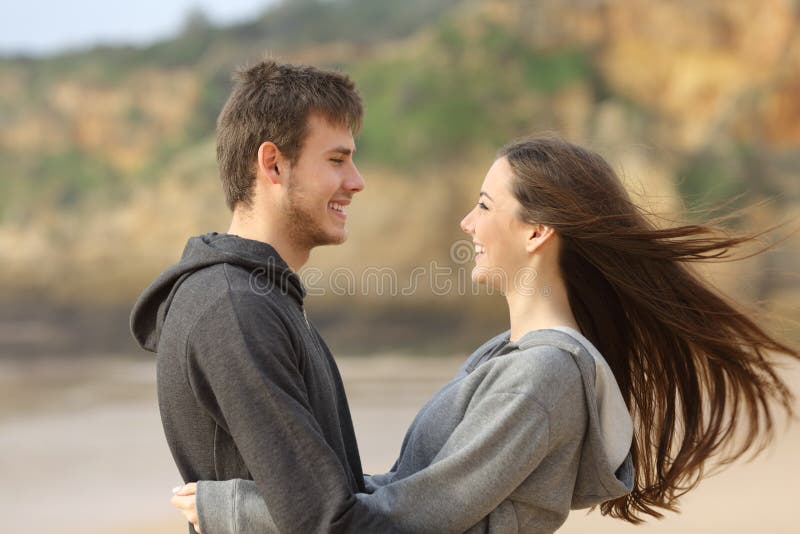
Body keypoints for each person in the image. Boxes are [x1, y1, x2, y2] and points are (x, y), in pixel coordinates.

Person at [172, 135, 800, 533]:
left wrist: (235, 509)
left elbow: (411, 521)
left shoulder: (543, 377)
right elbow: (413, 493)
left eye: (485, 205)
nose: (467, 222)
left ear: (536, 232)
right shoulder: (508, 357)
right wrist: (285, 495)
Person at [130, 60, 395, 533]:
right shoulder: (235, 309)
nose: (357, 181)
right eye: (336, 160)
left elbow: (328, 500)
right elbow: (328, 523)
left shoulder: (258, 295)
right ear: (272, 163)